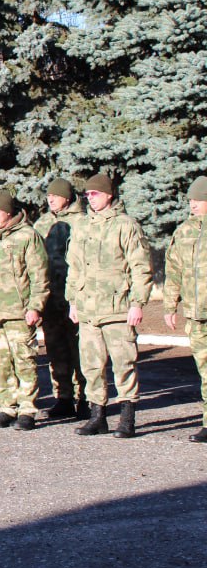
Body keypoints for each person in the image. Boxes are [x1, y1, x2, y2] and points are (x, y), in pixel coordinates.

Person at [67, 173, 152, 438]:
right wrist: (73, 301)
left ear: (109, 195)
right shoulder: (82, 226)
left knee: (124, 364)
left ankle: (127, 418)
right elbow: (75, 267)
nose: (90, 198)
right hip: (89, 308)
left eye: (95, 194)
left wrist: (137, 303)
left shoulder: (126, 225)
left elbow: (140, 267)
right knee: (91, 365)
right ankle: (98, 416)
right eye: (87, 195)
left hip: (117, 307)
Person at [0, 190, 49, 431]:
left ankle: (27, 409)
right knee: (2, 362)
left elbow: (40, 276)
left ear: (8, 212)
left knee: (24, 361)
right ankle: (7, 407)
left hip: (19, 311)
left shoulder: (28, 236)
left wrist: (35, 306)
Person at [33, 178, 87, 418]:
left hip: (74, 295)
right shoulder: (42, 223)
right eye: (49, 196)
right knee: (55, 348)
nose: (51, 199)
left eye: (55, 196)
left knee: (80, 349)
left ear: (68, 197)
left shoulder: (83, 222)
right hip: (49, 296)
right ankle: (63, 397)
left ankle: (85, 397)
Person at [163, 176, 207, 443]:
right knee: (204, 370)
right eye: (191, 200)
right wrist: (170, 305)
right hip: (195, 314)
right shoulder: (184, 231)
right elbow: (174, 271)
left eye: (199, 200)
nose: (193, 205)